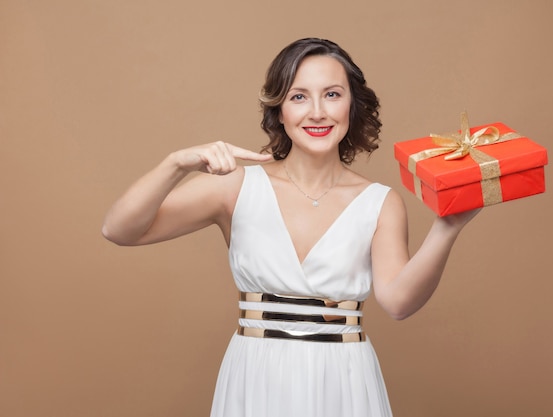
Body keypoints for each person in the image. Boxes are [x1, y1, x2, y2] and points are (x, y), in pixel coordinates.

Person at [102, 38, 479, 417]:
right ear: (279, 110)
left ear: (353, 106)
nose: (317, 112)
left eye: (332, 94)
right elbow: (119, 229)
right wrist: (176, 164)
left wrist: (446, 228)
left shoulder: (379, 202)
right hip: (255, 374)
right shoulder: (235, 187)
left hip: (343, 380)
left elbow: (398, 303)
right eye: (299, 97)